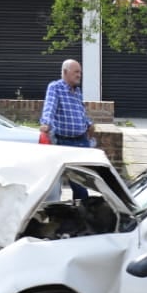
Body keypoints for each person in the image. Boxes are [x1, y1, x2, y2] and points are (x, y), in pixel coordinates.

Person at [39, 58, 93, 199]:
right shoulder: (56, 87)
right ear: (65, 72)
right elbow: (49, 108)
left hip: (82, 141)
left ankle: (79, 211)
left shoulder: (77, 91)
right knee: (77, 183)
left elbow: (80, 111)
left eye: (80, 72)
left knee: (84, 180)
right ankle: (83, 211)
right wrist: (46, 124)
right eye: (76, 72)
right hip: (65, 142)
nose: (79, 75)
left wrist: (88, 124)